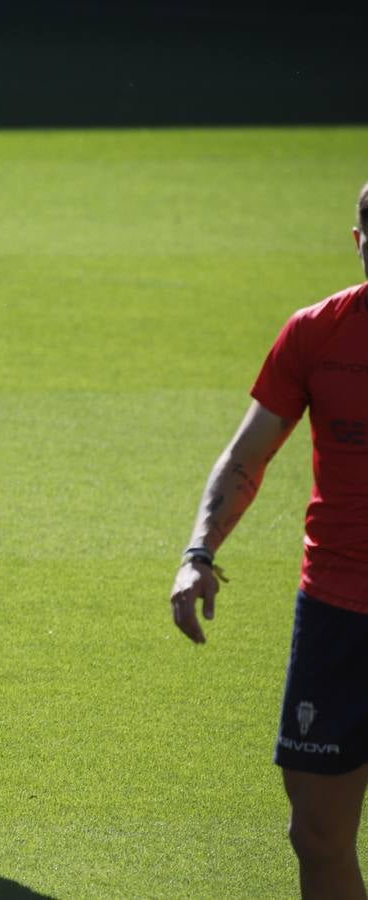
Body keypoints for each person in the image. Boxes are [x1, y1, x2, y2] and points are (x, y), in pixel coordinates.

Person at [170, 182, 368, 898]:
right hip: (337, 612)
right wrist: (198, 555)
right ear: (357, 242)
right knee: (315, 835)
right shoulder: (317, 332)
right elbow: (247, 456)